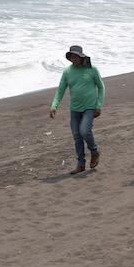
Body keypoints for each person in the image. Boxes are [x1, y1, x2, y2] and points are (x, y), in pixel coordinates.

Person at [50, 45, 105, 175]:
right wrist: (54, 105)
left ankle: (94, 151)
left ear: (81, 57)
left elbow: (101, 87)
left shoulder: (91, 69)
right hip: (74, 109)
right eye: (72, 56)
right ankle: (81, 164)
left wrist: (99, 105)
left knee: (85, 131)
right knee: (77, 137)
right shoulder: (67, 71)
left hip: (90, 108)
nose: (74, 59)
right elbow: (61, 89)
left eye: (76, 56)